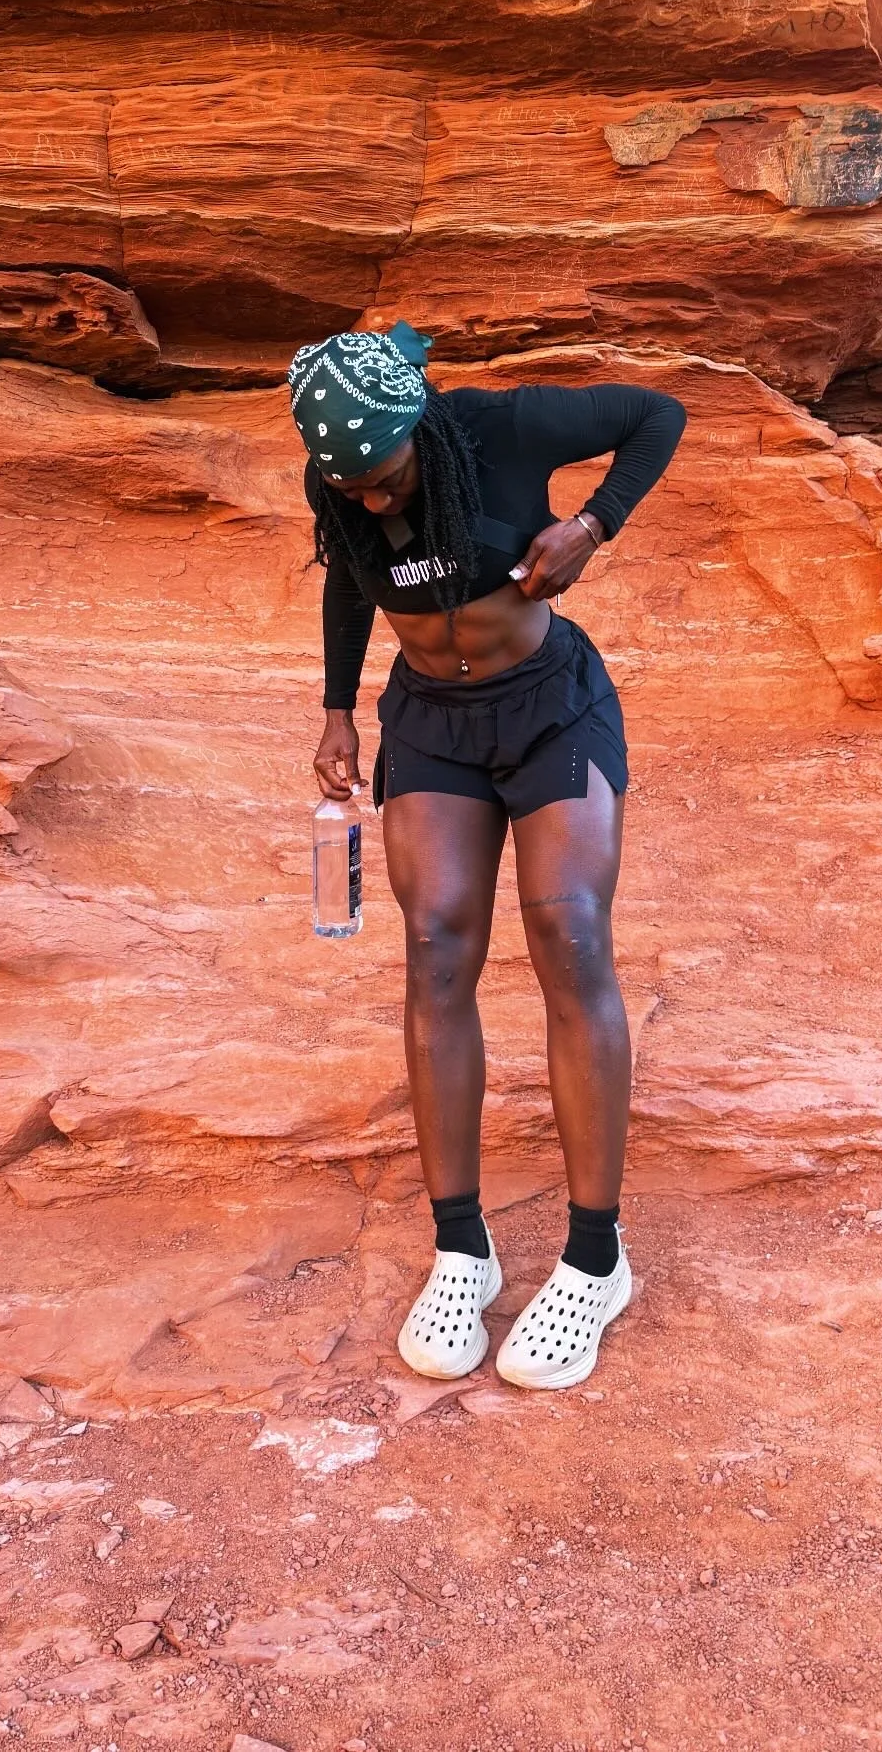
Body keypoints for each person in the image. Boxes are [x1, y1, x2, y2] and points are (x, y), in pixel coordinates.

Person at [288, 322, 686, 1389]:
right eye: (351, 486)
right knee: (435, 945)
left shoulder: (498, 427)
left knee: (568, 930)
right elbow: (347, 575)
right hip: (431, 722)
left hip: (550, 709)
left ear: (418, 427)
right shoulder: (348, 483)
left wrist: (594, 524)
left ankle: (596, 1259)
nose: (373, 500)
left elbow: (659, 414)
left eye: (384, 477)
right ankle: (460, 1246)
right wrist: (338, 712)